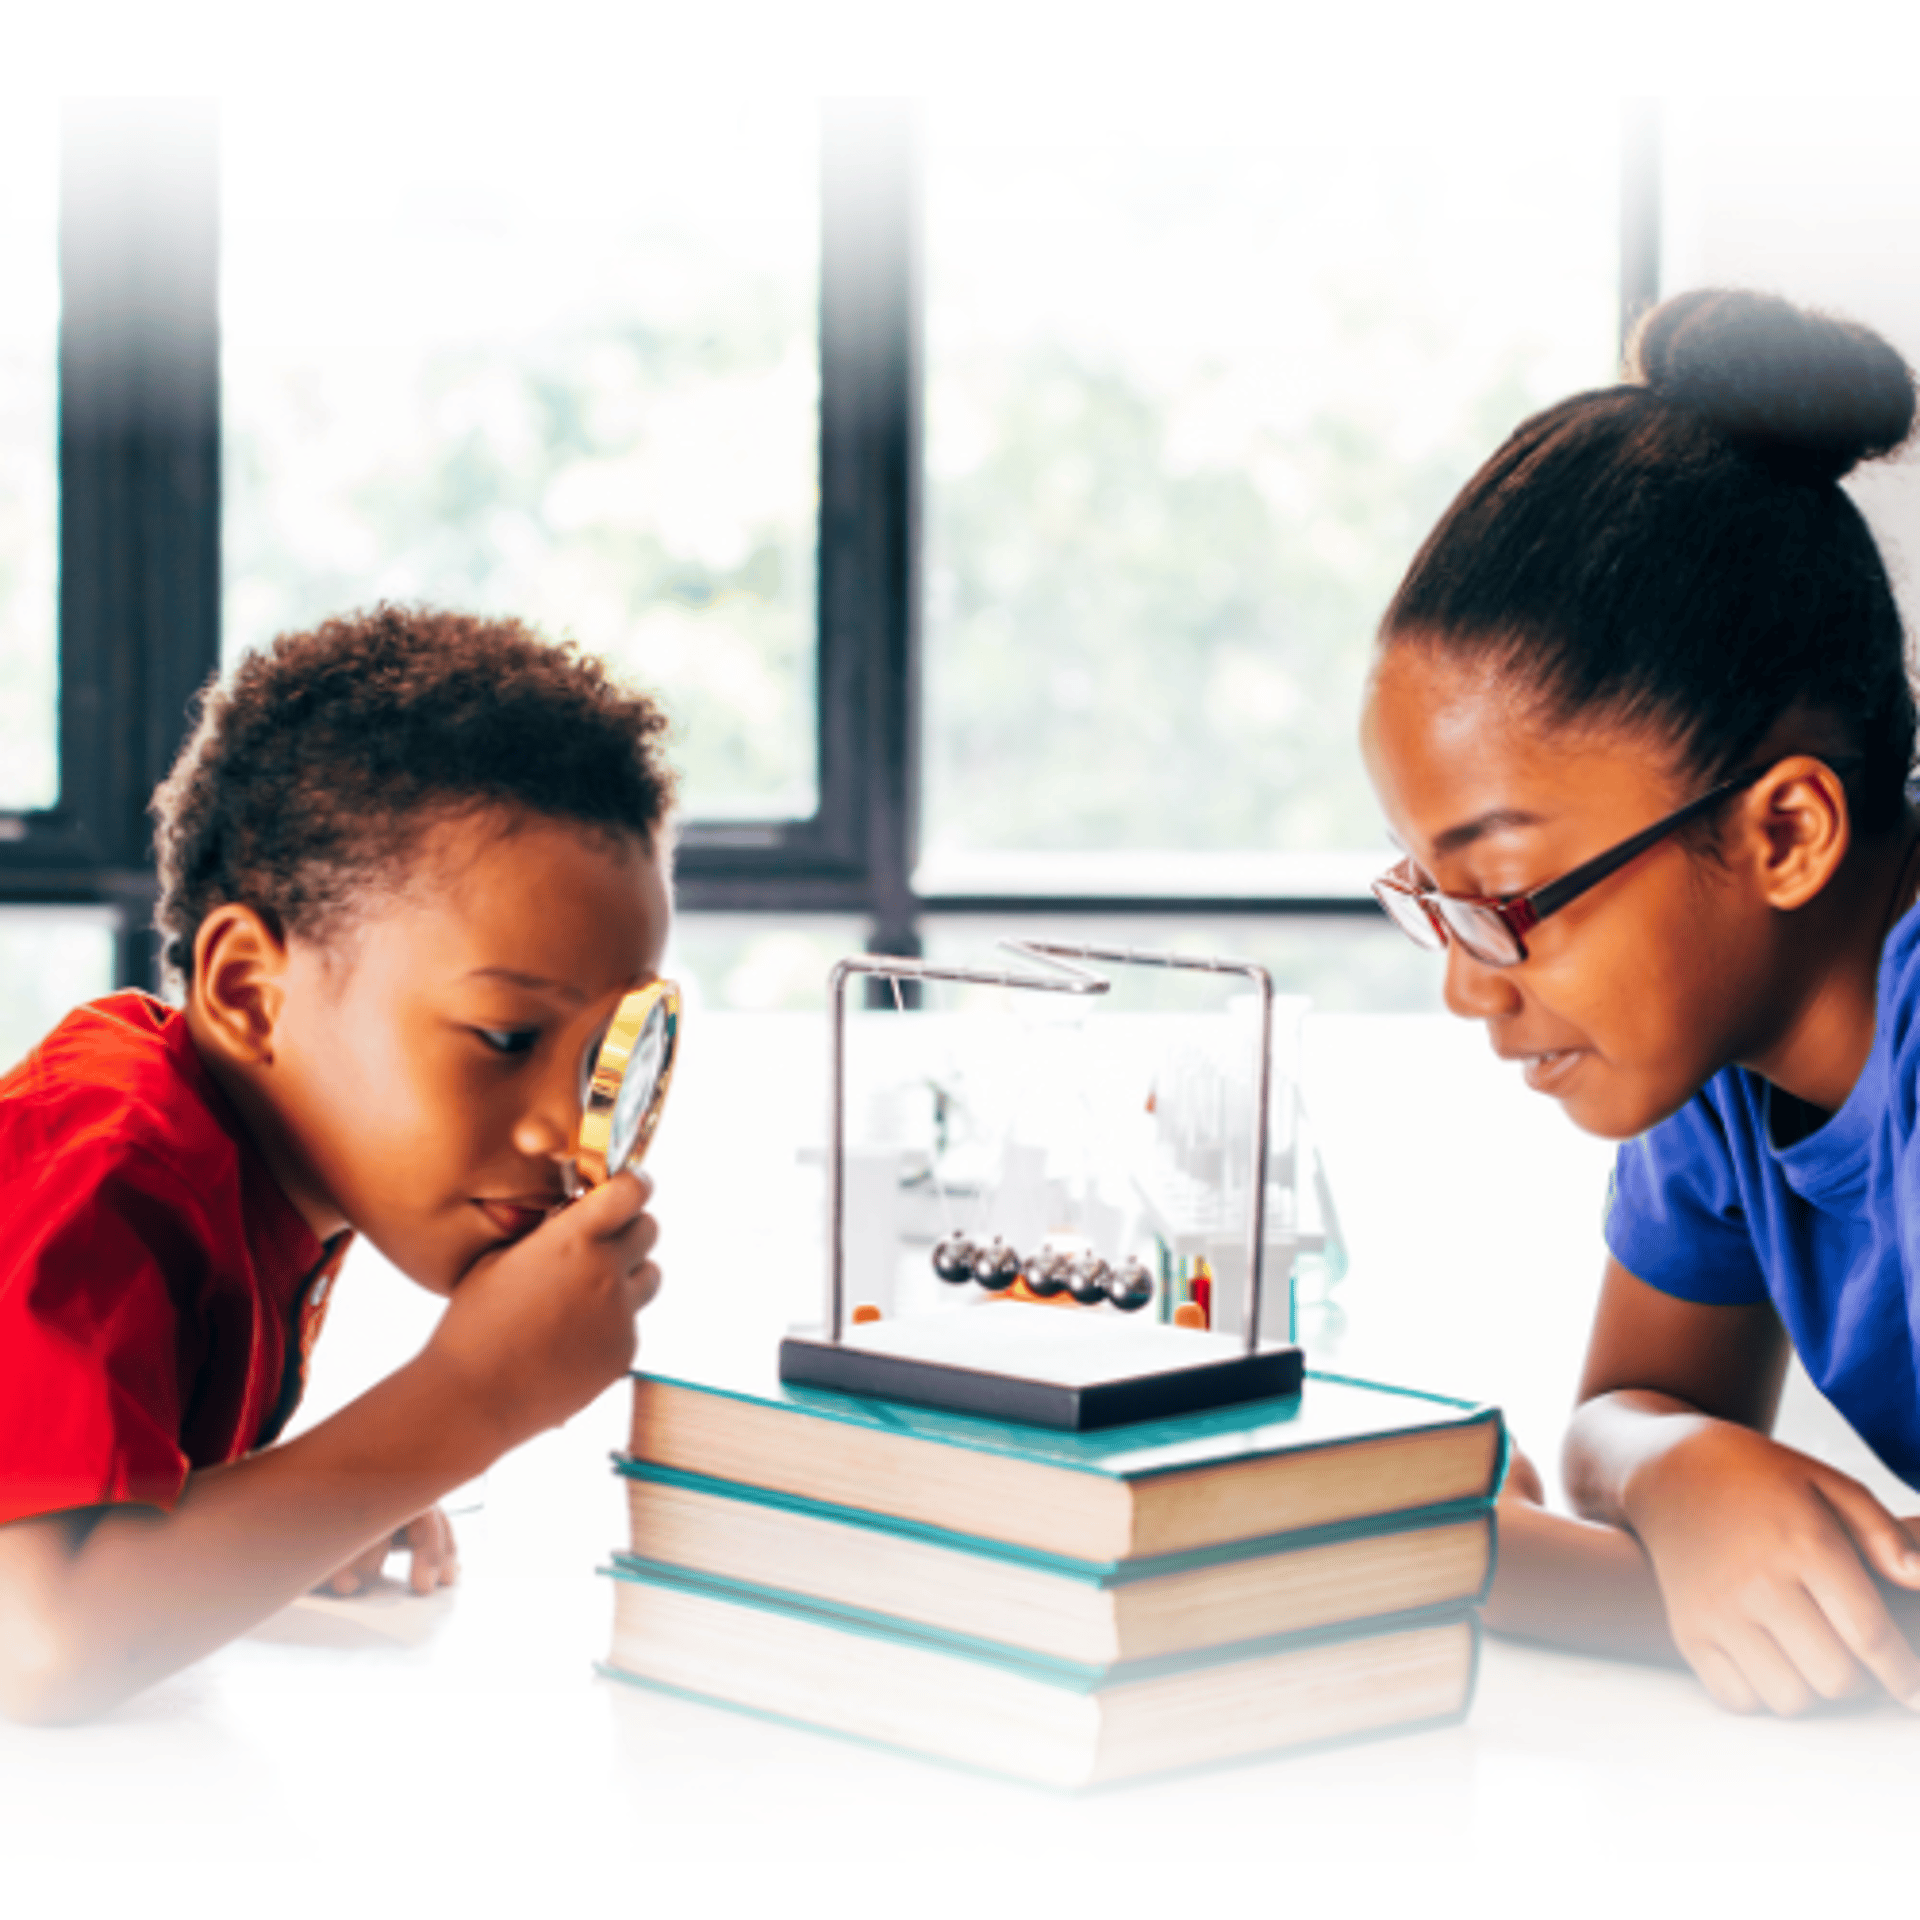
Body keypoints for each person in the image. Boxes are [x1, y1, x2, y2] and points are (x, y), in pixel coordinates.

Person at [1360, 288, 1920, 1718]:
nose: (1465, 984)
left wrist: (1429, 1540)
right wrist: (1678, 1472)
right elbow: (1620, 1419)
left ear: (1784, 834)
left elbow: (1871, 1638)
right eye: (1433, 896)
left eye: (1507, 896)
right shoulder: (1727, 1053)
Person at [0, 606, 674, 1723]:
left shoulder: (262, 1167)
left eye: (605, 1059)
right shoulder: (102, 1162)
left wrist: (284, 1524)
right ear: (249, 992)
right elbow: (40, 1636)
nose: (566, 1133)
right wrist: (472, 1398)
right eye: (506, 1039)